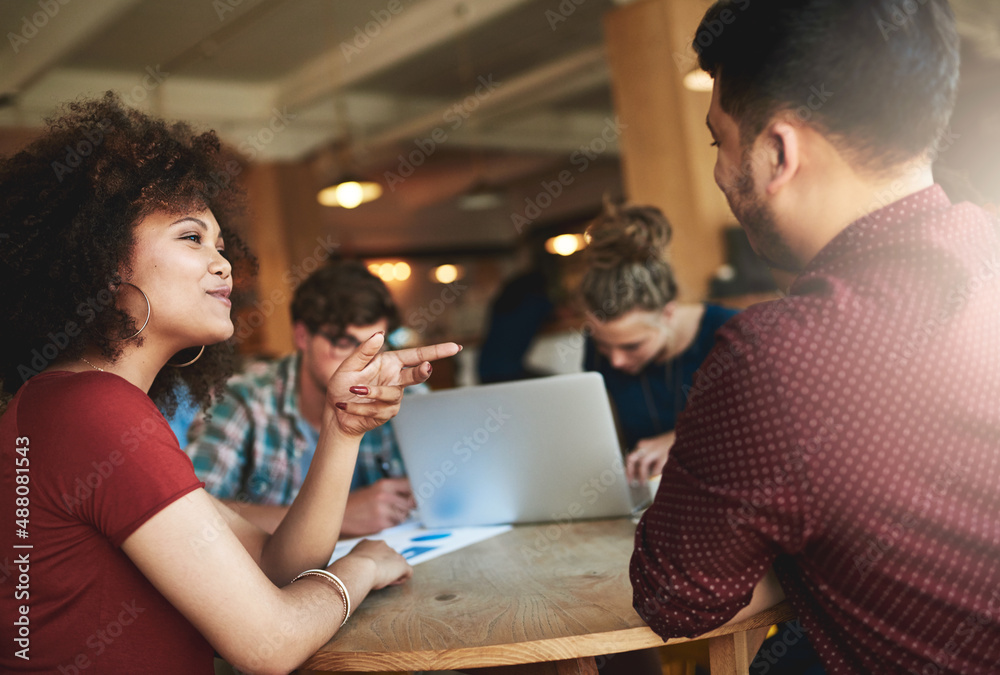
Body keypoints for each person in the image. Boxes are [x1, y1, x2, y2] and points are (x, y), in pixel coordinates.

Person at [0, 93, 459, 673]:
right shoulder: (95, 411)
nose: (223, 264)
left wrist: (343, 430)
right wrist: (361, 568)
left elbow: (273, 565)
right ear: (104, 263)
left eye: (221, 245)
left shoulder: (63, 401)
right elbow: (268, 646)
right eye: (192, 238)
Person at [630, 1, 1000, 673]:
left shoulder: (780, 356)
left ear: (776, 152)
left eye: (720, 141)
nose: (719, 172)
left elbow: (672, 598)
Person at [185, 261, 419, 537]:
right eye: (344, 343)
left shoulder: (405, 398)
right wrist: (339, 516)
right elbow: (192, 516)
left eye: (375, 346)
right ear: (302, 336)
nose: (363, 362)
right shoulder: (242, 401)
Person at [579, 200, 738, 485]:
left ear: (668, 312)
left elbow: (763, 426)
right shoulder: (598, 350)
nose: (615, 361)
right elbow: (602, 440)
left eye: (632, 346)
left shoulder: (731, 334)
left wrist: (682, 440)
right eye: (603, 345)